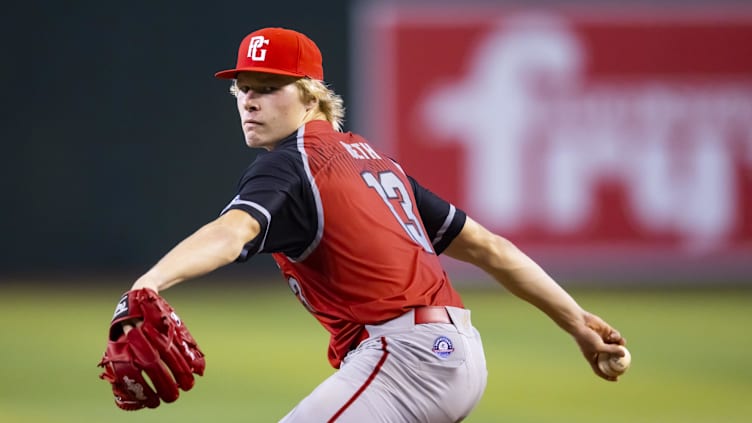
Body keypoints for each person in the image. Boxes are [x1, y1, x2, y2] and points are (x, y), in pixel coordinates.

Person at [121, 27, 627, 422]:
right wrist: (577, 323)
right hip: (455, 353)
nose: (249, 101)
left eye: (269, 88)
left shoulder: (293, 162)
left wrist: (148, 283)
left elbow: (232, 232)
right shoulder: (373, 161)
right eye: (243, 89)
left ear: (312, 95)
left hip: (407, 358)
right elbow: (489, 247)